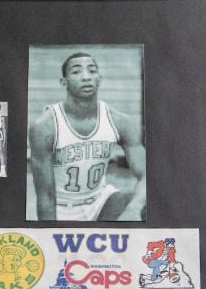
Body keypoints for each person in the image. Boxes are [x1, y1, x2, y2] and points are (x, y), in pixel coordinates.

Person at [28, 52, 145, 221]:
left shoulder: (120, 121)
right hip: (62, 208)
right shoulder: (45, 126)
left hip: (100, 202)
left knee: (145, 205)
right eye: (76, 72)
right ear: (63, 82)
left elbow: (145, 176)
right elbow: (45, 195)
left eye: (92, 71)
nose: (86, 77)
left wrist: (133, 209)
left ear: (99, 78)